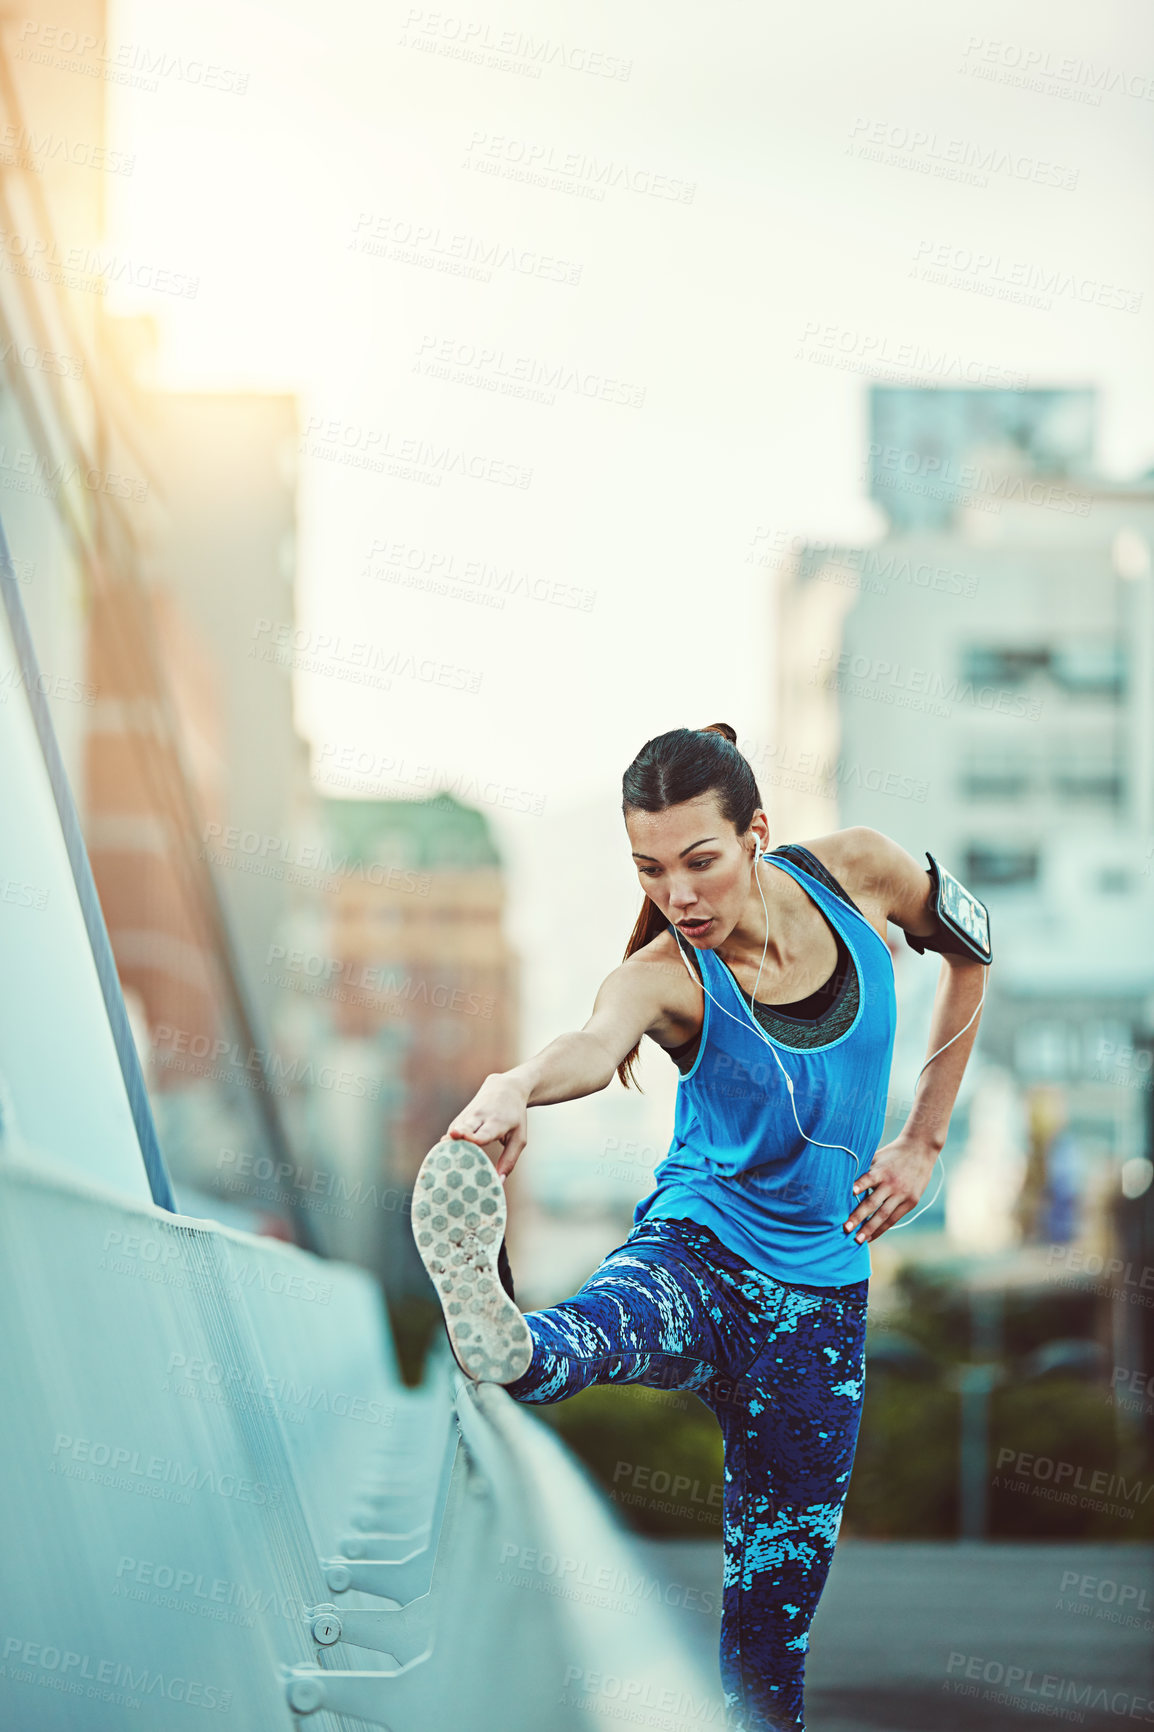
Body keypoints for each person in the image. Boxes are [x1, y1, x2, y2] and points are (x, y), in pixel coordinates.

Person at [411, 723, 990, 1732]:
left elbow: (970, 952)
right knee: (590, 1332)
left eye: (698, 861)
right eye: (649, 869)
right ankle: (508, 1336)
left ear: (755, 833)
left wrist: (923, 1141)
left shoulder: (858, 872)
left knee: (769, 1645)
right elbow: (593, 1046)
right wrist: (511, 1086)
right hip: (698, 1255)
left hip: (818, 1315)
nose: (677, 896)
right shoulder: (666, 977)